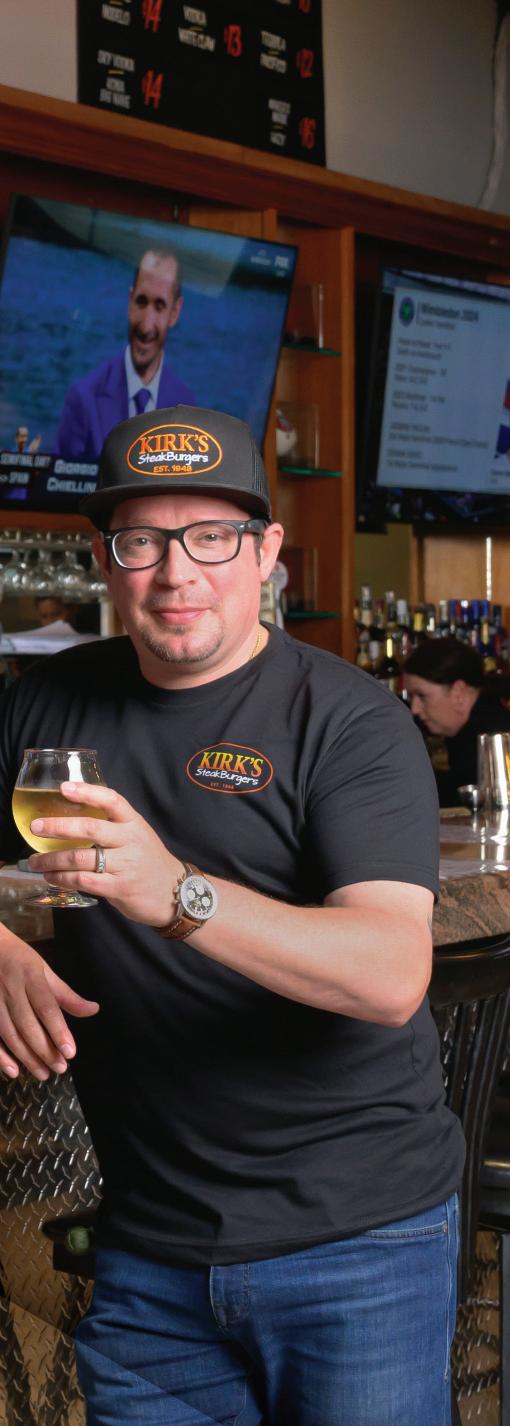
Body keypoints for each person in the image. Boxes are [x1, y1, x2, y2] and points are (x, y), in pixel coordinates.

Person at [0, 405, 463, 1426]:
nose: (178, 574)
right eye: (143, 542)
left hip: (357, 1246)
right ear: (105, 561)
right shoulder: (46, 704)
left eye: (211, 538)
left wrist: (176, 893)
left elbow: (392, 973)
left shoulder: (349, 721)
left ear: (266, 553)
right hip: (146, 1250)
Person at [55, 249, 196, 460]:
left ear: (174, 312)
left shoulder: (188, 411)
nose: (146, 326)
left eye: (159, 307)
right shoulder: (83, 399)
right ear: (130, 301)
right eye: (141, 302)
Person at [404, 636, 510, 806]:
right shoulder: (475, 726)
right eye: (411, 697)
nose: (414, 709)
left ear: (458, 692)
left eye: (422, 696)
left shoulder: (493, 738)